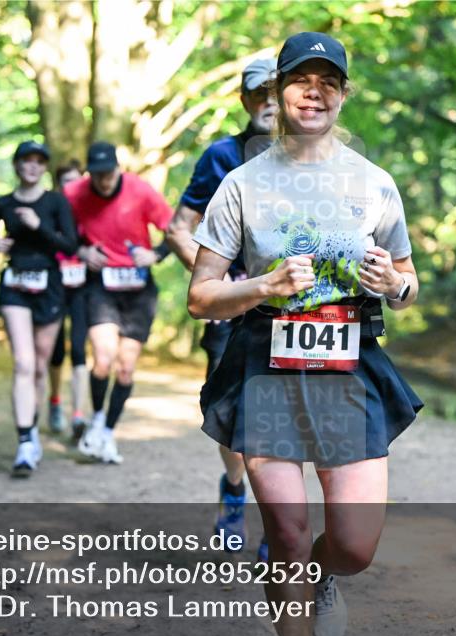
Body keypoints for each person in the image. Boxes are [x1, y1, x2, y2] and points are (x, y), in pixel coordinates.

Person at [188, 33, 422, 636]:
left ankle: (324, 578)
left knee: (353, 544)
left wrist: (393, 284)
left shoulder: (374, 184)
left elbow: (407, 282)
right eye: (300, 80)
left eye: (328, 81)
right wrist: (262, 284)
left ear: (343, 94)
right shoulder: (241, 185)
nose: (313, 91)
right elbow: (201, 296)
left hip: (350, 365)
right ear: (277, 91)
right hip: (267, 363)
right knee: (287, 533)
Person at [166, 58, 277, 557]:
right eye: (260, 94)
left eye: (279, 91)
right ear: (244, 100)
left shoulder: (316, 158)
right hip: (232, 309)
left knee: (281, 414)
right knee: (232, 415)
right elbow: (177, 226)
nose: (270, 103)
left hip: (292, 311)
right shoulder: (222, 155)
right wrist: (216, 277)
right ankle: (234, 491)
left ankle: (278, 524)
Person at [64, 141, 173, 464]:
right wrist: (81, 252)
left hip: (138, 288)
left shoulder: (141, 191)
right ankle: (96, 420)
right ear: (89, 174)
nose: (104, 180)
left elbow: (175, 229)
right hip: (101, 286)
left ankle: (108, 433)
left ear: (118, 169)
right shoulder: (73, 194)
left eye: (108, 172)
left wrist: (156, 254)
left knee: (125, 367)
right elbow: (59, 233)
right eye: (97, 174)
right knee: (103, 358)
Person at [0, 141, 79, 477]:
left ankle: (33, 430)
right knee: (23, 362)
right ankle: (24, 442)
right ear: (16, 165)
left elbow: (70, 244)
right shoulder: (3, 203)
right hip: (15, 284)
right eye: (26, 161)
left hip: (49, 286)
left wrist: (39, 226)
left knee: (39, 366)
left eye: (39, 161)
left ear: (45, 168)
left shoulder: (55, 201)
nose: (32, 167)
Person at [47, 161, 91, 441]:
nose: (70, 187)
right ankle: (54, 402)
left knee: (78, 349)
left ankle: (78, 414)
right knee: (55, 352)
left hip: (82, 289)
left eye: (76, 181)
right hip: (53, 288)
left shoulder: (90, 213)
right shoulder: (49, 211)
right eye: (66, 181)